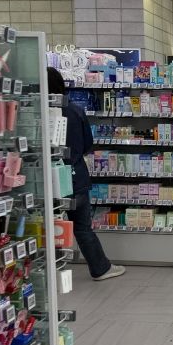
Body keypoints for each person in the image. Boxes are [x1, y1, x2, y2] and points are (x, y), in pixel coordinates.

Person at [47, 68, 125, 281]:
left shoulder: (38, 112)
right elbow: (87, 145)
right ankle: (100, 269)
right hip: (75, 178)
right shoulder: (75, 111)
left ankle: (46, 273)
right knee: (82, 228)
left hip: (48, 180)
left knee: (46, 228)